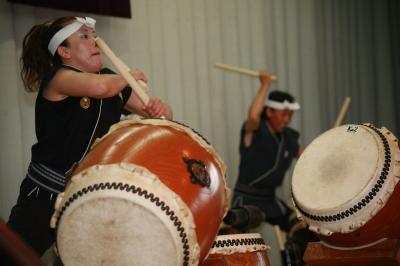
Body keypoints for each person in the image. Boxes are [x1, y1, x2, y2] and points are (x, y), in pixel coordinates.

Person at [7, 16, 173, 257]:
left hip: (85, 196)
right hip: (45, 194)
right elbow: (99, 88)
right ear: (64, 51)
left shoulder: (110, 80)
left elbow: (163, 116)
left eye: (93, 35)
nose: (94, 41)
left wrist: (157, 109)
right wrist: (128, 75)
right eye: (83, 36)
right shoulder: (58, 78)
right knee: (15, 256)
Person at [231, 71, 302, 232]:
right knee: (241, 241)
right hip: (246, 198)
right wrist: (265, 84)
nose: (287, 119)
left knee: (301, 228)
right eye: (283, 114)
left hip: (269, 199)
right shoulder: (255, 129)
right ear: (269, 112)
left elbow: (306, 156)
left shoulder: (288, 137)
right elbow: (254, 116)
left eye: (290, 114)